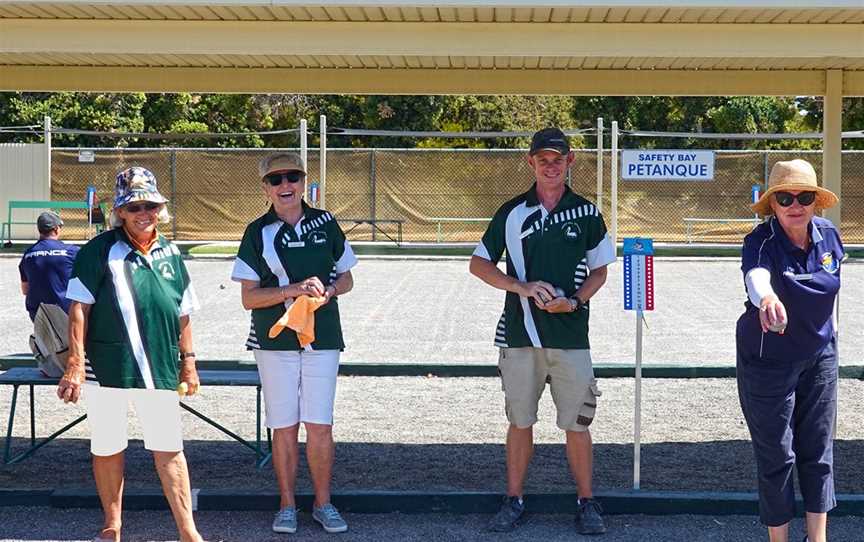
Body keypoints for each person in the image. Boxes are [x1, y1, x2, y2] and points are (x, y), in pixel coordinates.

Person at [469, 127, 616, 535]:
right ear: (530, 162)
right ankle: (513, 498)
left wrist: (574, 301)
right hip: (520, 336)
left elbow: (601, 270)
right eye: (543, 159)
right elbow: (479, 264)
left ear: (570, 162)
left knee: (578, 424)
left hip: (570, 337)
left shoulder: (587, 213)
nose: (551, 166)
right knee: (520, 421)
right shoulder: (511, 212)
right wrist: (521, 287)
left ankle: (587, 502)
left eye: (558, 159)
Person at [56, 167, 204, 542]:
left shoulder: (171, 251)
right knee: (108, 446)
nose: (144, 213)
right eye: (135, 206)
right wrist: (74, 363)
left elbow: (183, 311)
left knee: (169, 448)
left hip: (160, 366)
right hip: (109, 365)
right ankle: (112, 525)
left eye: (150, 205)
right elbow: (78, 308)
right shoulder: (97, 251)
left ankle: (188, 532)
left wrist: (189, 362)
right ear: (120, 211)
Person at [231, 152, 357, 535]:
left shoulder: (326, 221)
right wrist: (294, 289)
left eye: (292, 177)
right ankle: (287, 505)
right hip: (274, 342)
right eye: (276, 180)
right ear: (265, 188)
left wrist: (330, 290)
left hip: (323, 338)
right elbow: (249, 298)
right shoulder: (257, 232)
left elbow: (348, 278)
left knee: (320, 425)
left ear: (304, 182)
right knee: (283, 426)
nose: (285, 186)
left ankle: (323, 504)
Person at [737, 159, 842, 542]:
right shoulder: (760, 241)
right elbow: (756, 276)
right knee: (777, 455)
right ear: (772, 205)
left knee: (818, 450)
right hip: (768, 360)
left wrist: (827, 335)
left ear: (816, 201)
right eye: (785, 197)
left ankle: (817, 538)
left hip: (820, 355)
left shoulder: (830, 235)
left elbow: (833, 288)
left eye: (804, 196)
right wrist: (766, 298)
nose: (795, 204)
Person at [19, 211, 79, 321]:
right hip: (66, 312)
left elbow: (25, 290)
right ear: (56, 229)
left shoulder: (27, 255)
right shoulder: (72, 252)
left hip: (38, 314)